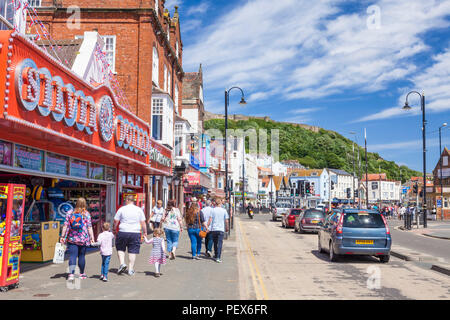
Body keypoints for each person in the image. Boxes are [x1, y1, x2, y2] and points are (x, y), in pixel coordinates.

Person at [60, 198, 95, 281]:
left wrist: (62, 236)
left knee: (72, 256)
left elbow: (65, 226)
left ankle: (71, 274)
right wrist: (92, 238)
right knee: (81, 256)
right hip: (83, 239)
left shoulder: (70, 213)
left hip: (72, 238)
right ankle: (82, 274)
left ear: (76, 203)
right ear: (85, 204)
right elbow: (89, 227)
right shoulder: (86, 214)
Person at [113, 195, 147, 276]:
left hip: (123, 231)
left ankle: (122, 264)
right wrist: (145, 232)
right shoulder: (139, 210)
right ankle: (130, 269)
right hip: (135, 232)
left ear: (127, 200)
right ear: (133, 201)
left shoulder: (122, 209)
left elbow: (116, 220)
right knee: (132, 251)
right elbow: (143, 223)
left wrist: (114, 229)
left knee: (120, 248)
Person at [208, 198, 229, 263]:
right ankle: (218, 257)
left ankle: (216, 254)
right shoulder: (224, 210)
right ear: (220, 203)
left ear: (215, 203)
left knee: (215, 242)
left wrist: (207, 226)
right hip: (221, 229)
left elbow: (210, 219)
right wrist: (227, 228)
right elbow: (226, 220)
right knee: (220, 243)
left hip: (214, 229)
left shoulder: (213, 210)